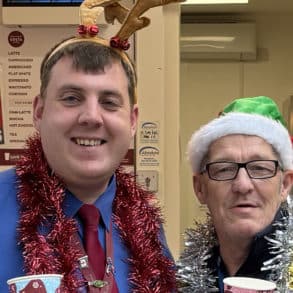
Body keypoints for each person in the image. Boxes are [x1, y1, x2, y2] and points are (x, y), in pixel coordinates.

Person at [0, 0, 179, 292]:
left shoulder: (147, 228)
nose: (92, 117)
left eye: (109, 102)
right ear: (39, 112)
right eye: (71, 98)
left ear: (132, 121)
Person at [177, 96, 293, 292]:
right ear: (200, 188)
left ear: (285, 185)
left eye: (260, 168)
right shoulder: (182, 278)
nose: (243, 185)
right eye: (224, 169)